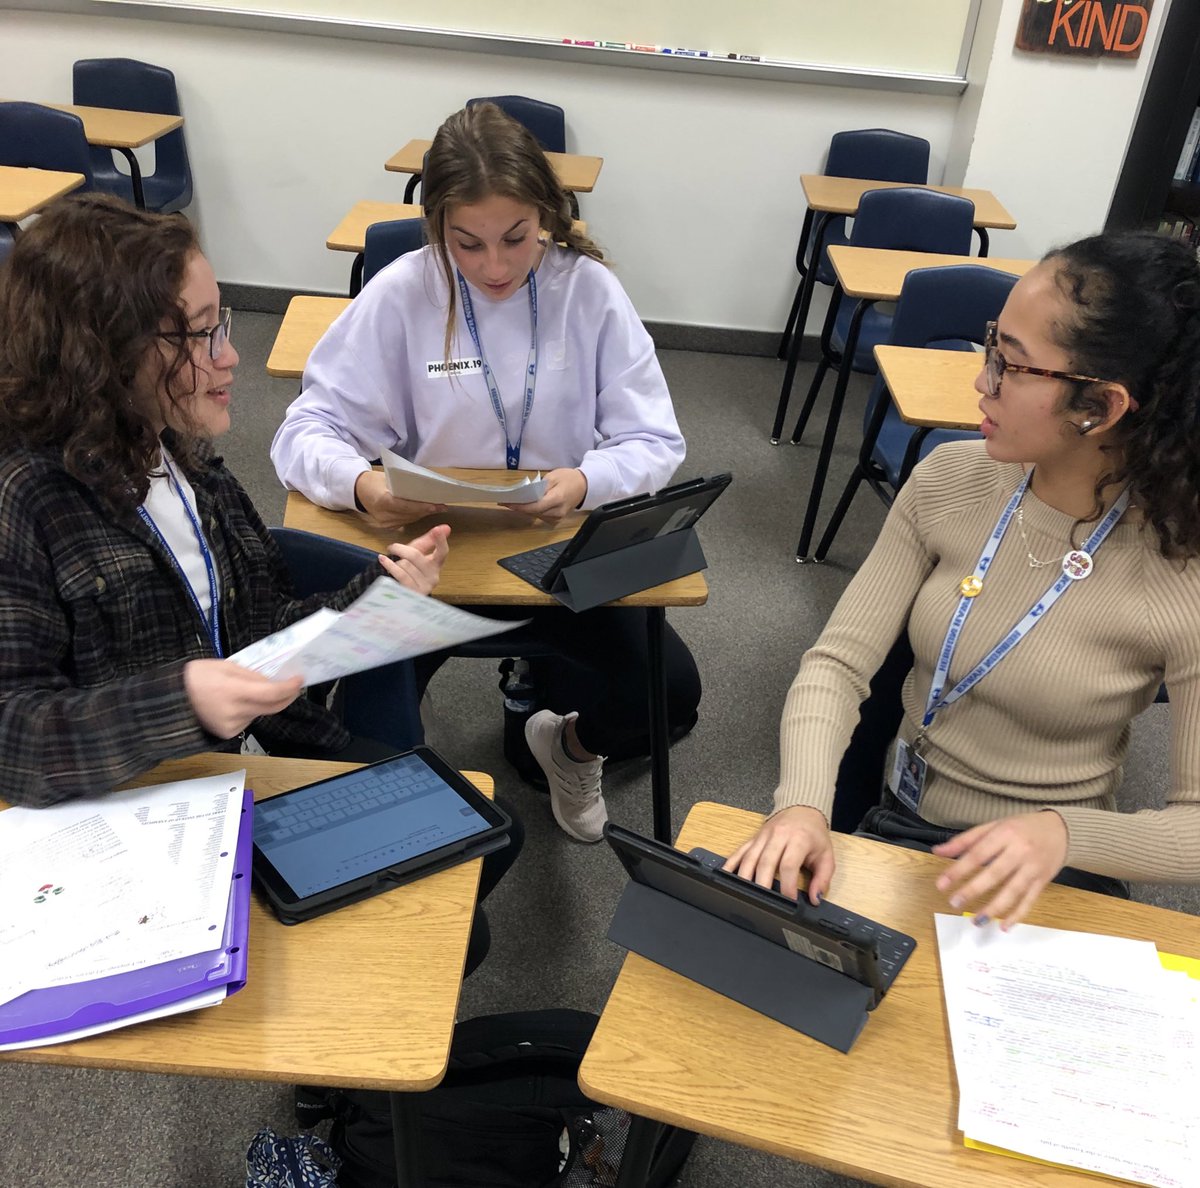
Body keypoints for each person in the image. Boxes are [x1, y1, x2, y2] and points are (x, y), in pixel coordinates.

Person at [728, 229, 1200, 929]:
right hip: (903, 824)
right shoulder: (950, 478)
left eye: (1011, 365)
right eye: (992, 346)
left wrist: (1066, 835)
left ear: (1099, 406)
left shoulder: (1182, 567)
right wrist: (801, 803)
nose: (982, 380)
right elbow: (836, 665)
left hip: (1047, 871)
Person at [271, 102, 700, 843]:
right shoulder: (406, 291)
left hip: (558, 557)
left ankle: (565, 748)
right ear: (437, 224)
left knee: (666, 693)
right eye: (467, 243)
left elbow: (655, 439)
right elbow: (304, 430)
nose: (494, 267)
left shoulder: (587, 292)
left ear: (548, 214)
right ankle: (415, 742)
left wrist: (585, 481)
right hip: (435, 562)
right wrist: (364, 485)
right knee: (359, 738)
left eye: (517, 238)